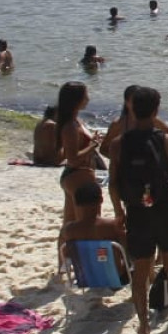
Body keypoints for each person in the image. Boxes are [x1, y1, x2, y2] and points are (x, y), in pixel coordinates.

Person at [113, 86, 168, 334]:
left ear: (132, 108)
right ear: (156, 111)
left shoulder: (118, 144)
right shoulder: (167, 142)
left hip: (137, 211)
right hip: (165, 207)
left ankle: (143, 323)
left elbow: (112, 183)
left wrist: (118, 212)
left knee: (141, 271)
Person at [54, 82, 101, 226]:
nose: (88, 99)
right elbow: (72, 159)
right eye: (86, 96)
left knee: (70, 222)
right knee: (88, 222)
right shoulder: (70, 126)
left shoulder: (76, 121)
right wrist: (93, 146)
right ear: (77, 99)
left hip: (78, 175)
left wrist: (91, 140)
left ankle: (64, 248)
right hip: (78, 174)